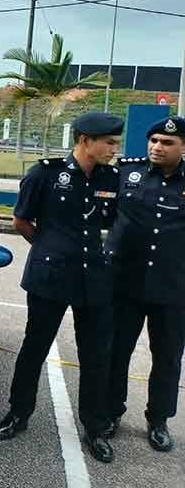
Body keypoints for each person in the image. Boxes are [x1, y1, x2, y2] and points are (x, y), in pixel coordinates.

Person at [0, 111, 124, 464]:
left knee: (96, 356)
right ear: (85, 141)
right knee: (34, 347)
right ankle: (19, 412)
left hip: (94, 278)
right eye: (109, 142)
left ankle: (95, 427)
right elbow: (21, 220)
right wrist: (49, 247)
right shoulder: (45, 174)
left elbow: (110, 222)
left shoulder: (112, 177)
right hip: (50, 277)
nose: (115, 149)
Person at [106, 116, 185, 452]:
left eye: (166, 143)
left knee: (167, 357)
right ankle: (110, 412)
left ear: (183, 147)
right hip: (126, 284)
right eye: (153, 140)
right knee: (116, 352)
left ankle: (158, 419)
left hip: (173, 288)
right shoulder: (127, 171)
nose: (157, 147)